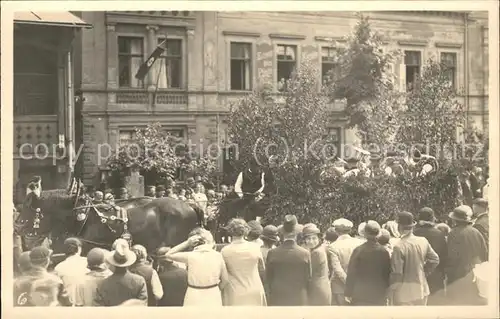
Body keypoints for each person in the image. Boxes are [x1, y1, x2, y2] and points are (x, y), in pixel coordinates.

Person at [161, 228, 228, 306]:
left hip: (193, 294)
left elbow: (168, 254)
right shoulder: (218, 256)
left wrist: (187, 243)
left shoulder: (190, 256)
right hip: (213, 293)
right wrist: (214, 289)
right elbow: (225, 280)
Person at [389, 211, 439, 306]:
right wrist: (423, 271)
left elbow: (397, 273)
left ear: (399, 226)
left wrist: (391, 290)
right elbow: (435, 259)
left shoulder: (398, 246)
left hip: (404, 293)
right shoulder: (423, 241)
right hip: (422, 288)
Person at [445, 205, 488, 305]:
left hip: (458, 275)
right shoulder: (476, 232)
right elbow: (484, 254)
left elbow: (452, 256)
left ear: (455, 220)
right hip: (474, 274)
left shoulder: (453, 233)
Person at [266, 215, 312, 306]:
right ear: (297, 233)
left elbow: (268, 278)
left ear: (282, 233)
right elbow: (309, 277)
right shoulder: (305, 253)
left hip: (278, 297)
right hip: (299, 297)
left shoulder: (272, 253)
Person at [221, 219, 266, 306]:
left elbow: (223, 274)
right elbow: (262, 269)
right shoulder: (255, 248)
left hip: (235, 292)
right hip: (255, 288)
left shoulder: (225, 251)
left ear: (230, 231)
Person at [345, 221, 390, 306]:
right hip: (379, 293)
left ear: (365, 234)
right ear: (378, 234)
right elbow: (387, 273)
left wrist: (348, 292)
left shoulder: (358, 250)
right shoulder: (384, 252)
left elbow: (351, 273)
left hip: (360, 294)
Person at [94, 241, 148, 306]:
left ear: (113, 262)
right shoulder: (139, 281)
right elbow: (143, 305)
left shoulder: (102, 284)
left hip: (110, 316)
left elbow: (99, 309)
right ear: (129, 262)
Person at [413, 207, 448, 304]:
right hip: (436, 273)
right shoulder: (439, 234)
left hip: (417, 274)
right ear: (432, 218)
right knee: (435, 303)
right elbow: (444, 255)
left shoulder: (414, 233)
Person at [328, 218, 364, 305]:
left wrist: (348, 282)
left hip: (340, 287)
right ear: (350, 230)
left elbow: (337, 269)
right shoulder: (359, 243)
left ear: (336, 231)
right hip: (357, 284)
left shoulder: (333, 246)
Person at [53, 238, 89, 305]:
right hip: (86, 303)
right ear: (79, 248)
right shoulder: (87, 262)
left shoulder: (58, 267)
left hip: (68, 305)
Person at [302, 223, 331, 306]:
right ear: (304, 240)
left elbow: (309, 273)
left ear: (319, 239)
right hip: (323, 287)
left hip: (317, 290)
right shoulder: (320, 249)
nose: (311, 241)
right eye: (308, 238)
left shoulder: (316, 253)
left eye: (314, 238)